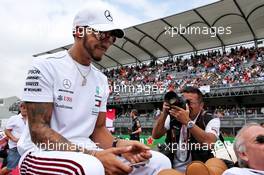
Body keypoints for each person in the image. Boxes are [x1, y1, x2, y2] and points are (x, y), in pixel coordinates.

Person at [18, 6, 171, 175]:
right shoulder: (46, 65)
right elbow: (39, 131)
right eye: (102, 34)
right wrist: (95, 155)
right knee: (92, 167)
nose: (107, 41)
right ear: (78, 31)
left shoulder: (101, 79)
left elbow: (98, 130)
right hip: (41, 151)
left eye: (112, 37)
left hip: (88, 151)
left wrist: (121, 146)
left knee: (159, 161)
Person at [152, 86, 220, 172]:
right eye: (183, 101)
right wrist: (164, 113)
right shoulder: (173, 116)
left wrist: (188, 122)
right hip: (172, 168)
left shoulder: (210, 118)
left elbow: (210, 143)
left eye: (189, 102)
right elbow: (155, 135)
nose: (186, 105)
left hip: (198, 170)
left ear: (201, 105)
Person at [4, 102, 27, 174]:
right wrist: (13, 139)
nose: (25, 109)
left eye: (27, 107)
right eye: (23, 107)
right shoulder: (14, 118)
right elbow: (6, 130)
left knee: (27, 166)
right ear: (20, 108)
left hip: (27, 147)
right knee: (10, 168)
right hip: (15, 147)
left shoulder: (32, 120)